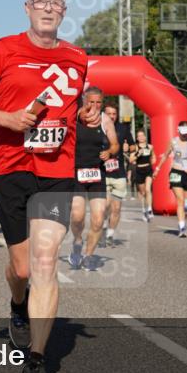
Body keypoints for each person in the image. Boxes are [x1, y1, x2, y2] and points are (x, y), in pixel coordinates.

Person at [0, 0, 96, 373]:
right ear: (27, 7)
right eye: (41, 2)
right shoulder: (4, 51)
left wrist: (86, 113)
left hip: (56, 172)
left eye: (55, 3)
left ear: (64, 11)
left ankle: (37, 355)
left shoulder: (77, 57)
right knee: (21, 269)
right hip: (13, 168)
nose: (48, 9)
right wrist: (9, 119)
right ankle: (18, 304)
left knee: (45, 260)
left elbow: (76, 106)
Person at [68, 88, 119, 270]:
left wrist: (109, 151)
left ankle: (88, 255)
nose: (95, 106)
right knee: (77, 217)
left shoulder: (105, 120)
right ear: (84, 101)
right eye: (91, 102)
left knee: (98, 219)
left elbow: (115, 144)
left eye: (98, 102)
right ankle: (77, 240)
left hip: (97, 173)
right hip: (76, 173)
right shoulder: (74, 117)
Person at [152, 121, 187, 238]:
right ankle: (181, 228)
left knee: (186, 205)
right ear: (178, 131)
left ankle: (183, 221)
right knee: (179, 200)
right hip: (176, 172)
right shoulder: (173, 141)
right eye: (183, 132)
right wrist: (157, 169)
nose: (186, 135)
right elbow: (165, 155)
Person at [101, 103, 132, 246]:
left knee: (117, 208)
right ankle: (101, 228)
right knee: (105, 205)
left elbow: (133, 146)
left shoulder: (123, 128)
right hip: (103, 172)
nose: (112, 116)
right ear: (104, 114)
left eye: (114, 114)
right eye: (109, 114)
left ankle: (110, 235)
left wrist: (129, 147)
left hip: (119, 173)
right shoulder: (97, 126)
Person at [129, 129, 156, 221]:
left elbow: (153, 157)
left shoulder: (150, 147)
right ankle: (144, 210)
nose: (140, 137)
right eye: (138, 136)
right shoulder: (135, 148)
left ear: (145, 137)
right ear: (137, 138)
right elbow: (131, 160)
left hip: (148, 169)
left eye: (142, 135)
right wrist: (137, 154)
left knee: (148, 189)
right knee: (143, 192)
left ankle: (150, 209)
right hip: (139, 169)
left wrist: (154, 163)